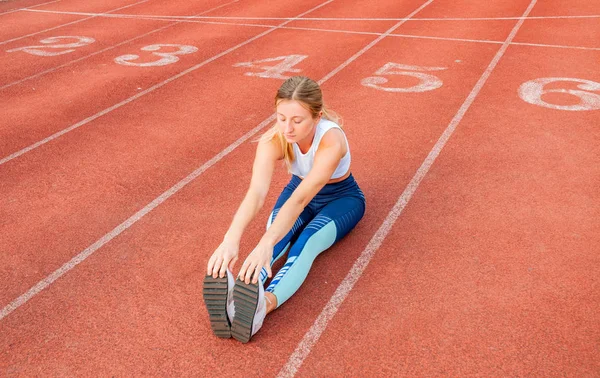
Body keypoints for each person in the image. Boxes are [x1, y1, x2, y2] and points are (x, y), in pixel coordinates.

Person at [203, 76, 366, 343]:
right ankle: (245, 289)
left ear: (317, 116)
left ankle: (261, 306)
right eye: (281, 118)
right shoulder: (273, 140)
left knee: (305, 243)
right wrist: (230, 239)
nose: (287, 129)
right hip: (297, 191)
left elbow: (302, 199)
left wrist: (267, 241)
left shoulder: (331, 141)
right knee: (273, 238)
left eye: (297, 120)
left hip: (341, 199)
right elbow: (256, 193)